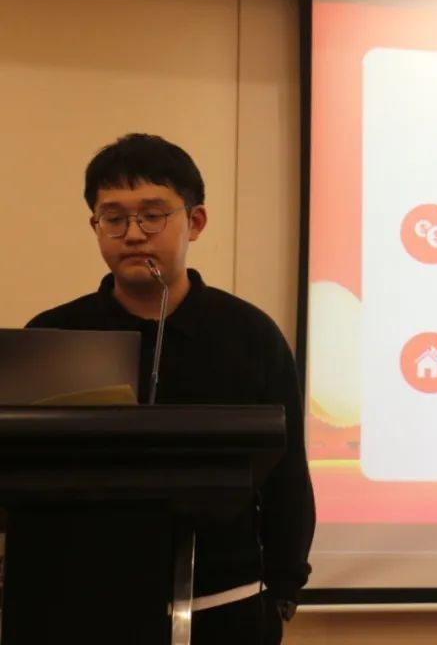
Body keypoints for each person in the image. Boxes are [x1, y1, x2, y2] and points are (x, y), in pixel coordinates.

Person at [26, 133, 315, 644]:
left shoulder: (249, 335)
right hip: (79, 602)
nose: (133, 234)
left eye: (152, 215)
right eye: (113, 218)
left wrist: (284, 587)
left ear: (195, 222)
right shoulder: (53, 336)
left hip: (223, 601)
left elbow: (287, 473)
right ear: (95, 225)